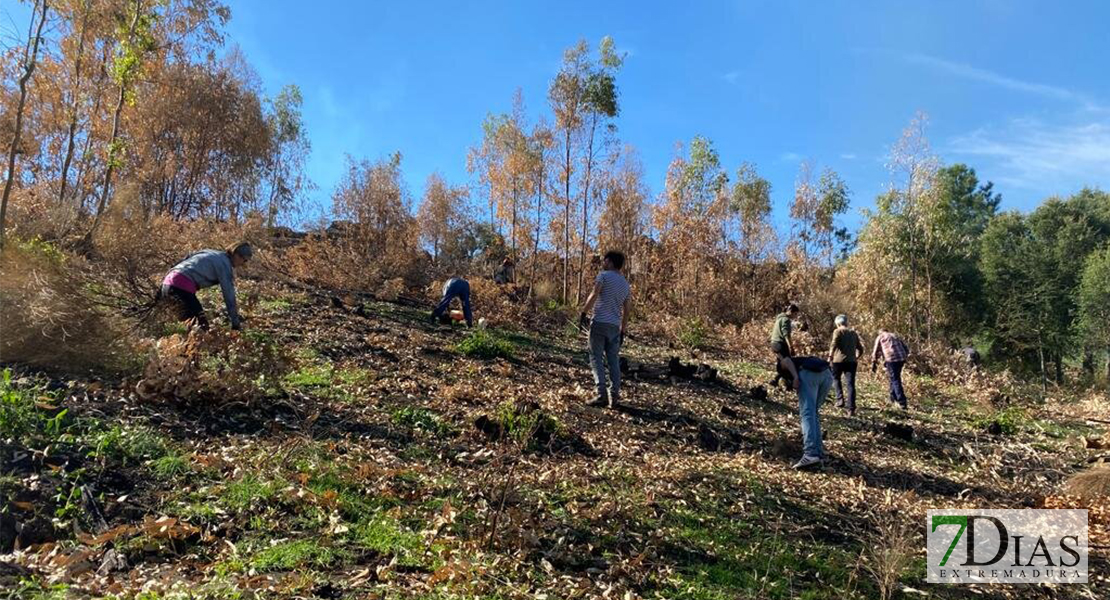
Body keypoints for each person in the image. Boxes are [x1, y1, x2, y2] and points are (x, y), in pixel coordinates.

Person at [579, 250, 632, 408]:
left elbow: (595, 293)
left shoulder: (603, 276)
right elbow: (627, 309)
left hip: (599, 323)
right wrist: (623, 329)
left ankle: (601, 394)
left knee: (595, 357)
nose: (603, 263)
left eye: (605, 260)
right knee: (613, 360)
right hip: (614, 327)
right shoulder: (625, 284)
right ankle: (614, 395)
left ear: (609, 261)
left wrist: (583, 312)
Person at [160, 242, 252, 330]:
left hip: (166, 284)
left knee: (190, 327)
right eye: (244, 260)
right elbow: (229, 296)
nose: (244, 263)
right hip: (182, 289)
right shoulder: (224, 265)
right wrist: (235, 323)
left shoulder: (209, 252)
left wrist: (160, 291)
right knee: (201, 328)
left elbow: (183, 261)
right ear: (236, 254)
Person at [776, 355, 833, 469]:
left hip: (809, 375)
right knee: (813, 413)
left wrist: (796, 377)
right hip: (827, 375)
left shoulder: (780, 367)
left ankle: (810, 453)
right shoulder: (804, 359)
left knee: (807, 414)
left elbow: (786, 360)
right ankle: (818, 453)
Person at [827, 314, 864, 416]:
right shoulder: (853, 333)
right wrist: (856, 357)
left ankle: (840, 400)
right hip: (851, 362)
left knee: (836, 379)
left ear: (838, 323)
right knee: (850, 384)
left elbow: (833, 344)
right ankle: (851, 408)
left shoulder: (837, 331)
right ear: (846, 322)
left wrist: (830, 356)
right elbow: (860, 349)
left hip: (838, 361)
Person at [871, 328, 910, 409]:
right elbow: (906, 348)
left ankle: (902, 401)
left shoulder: (880, 337)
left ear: (880, 332)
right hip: (901, 358)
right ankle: (892, 398)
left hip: (892, 359)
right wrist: (905, 356)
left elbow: (875, 352)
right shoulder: (895, 335)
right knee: (894, 377)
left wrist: (874, 363)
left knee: (895, 379)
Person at [768, 303, 800, 388]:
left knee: (782, 363)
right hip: (780, 344)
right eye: (795, 314)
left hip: (774, 343)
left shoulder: (779, 318)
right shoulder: (786, 320)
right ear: (790, 311)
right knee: (788, 363)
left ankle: (776, 380)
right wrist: (791, 347)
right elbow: (786, 334)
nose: (795, 316)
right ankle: (789, 382)